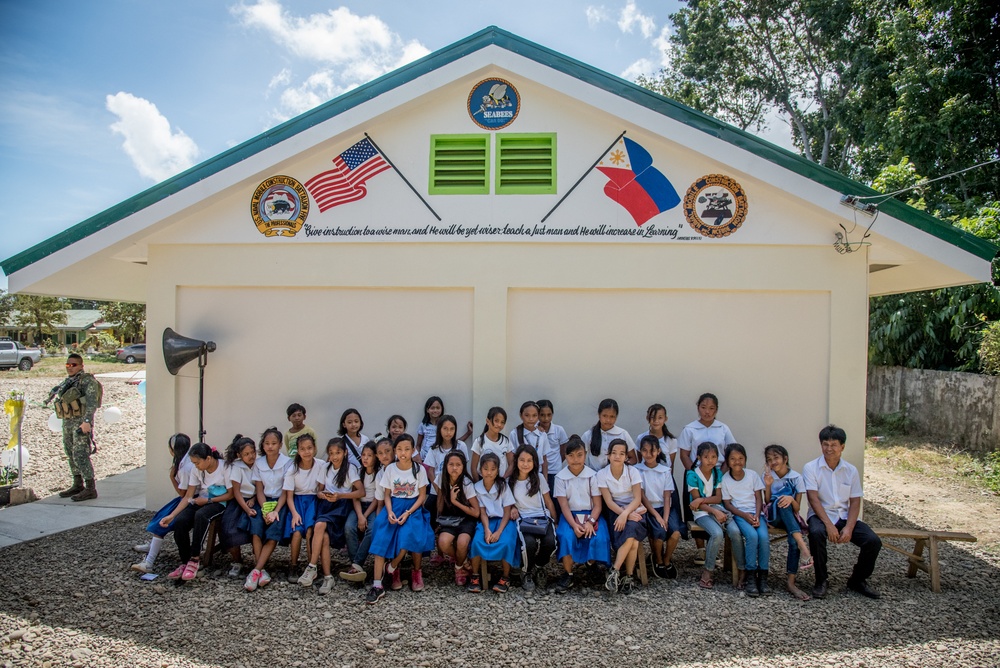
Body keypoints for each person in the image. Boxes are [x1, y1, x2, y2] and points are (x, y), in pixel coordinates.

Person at [804, 424, 882, 599]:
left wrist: (848, 527)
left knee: (873, 541)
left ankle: (858, 580)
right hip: (821, 515)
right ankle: (821, 580)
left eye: (833, 445)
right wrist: (829, 525)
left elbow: (855, 501)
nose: (829, 449)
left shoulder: (850, 470)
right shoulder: (811, 468)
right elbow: (813, 499)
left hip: (844, 516)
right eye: (825, 444)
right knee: (816, 533)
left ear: (842, 447)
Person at [365, 433, 435, 604]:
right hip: (394, 507)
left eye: (407, 449)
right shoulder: (390, 469)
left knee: (408, 536)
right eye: (400, 449)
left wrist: (408, 512)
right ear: (395, 450)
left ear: (413, 450)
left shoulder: (418, 470)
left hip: (413, 509)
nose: (403, 453)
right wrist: (389, 512)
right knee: (381, 536)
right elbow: (387, 495)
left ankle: (397, 567)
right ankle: (377, 585)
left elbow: (422, 496)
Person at [159, 443, 233, 582]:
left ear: (209, 459)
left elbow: (230, 495)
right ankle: (185, 561)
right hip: (200, 500)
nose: (196, 466)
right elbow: (188, 496)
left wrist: (209, 501)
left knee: (201, 515)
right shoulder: (196, 470)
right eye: (194, 463)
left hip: (218, 502)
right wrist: (172, 515)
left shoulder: (225, 467)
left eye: (198, 462)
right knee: (180, 521)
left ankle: (195, 558)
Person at [299, 438, 363, 595]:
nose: (335, 456)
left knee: (319, 526)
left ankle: (312, 566)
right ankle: (328, 577)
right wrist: (324, 494)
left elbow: (360, 492)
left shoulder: (350, 469)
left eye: (338, 453)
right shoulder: (325, 467)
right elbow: (319, 491)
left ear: (345, 453)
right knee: (324, 538)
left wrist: (340, 495)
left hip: (341, 506)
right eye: (332, 453)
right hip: (326, 505)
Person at [678, 393, 736, 564]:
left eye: (711, 408)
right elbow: (684, 454)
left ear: (716, 410)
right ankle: (701, 549)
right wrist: (694, 474)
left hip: (718, 474)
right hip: (695, 474)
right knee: (697, 508)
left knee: (718, 505)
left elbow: (730, 451)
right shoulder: (690, 428)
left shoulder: (723, 429)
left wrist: (722, 472)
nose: (707, 412)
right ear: (698, 408)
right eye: (703, 407)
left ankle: (717, 545)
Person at [552, 436, 610, 593]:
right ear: (565, 457)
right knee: (565, 535)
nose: (575, 459)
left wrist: (590, 522)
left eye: (579, 455)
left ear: (585, 454)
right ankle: (568, 573)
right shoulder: (560, 477)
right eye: (571, 455)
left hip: (592, 514)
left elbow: (598, 505)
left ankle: (591, 564)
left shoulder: (593, 475)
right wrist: (574, 525)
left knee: (600, 536)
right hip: (570, 515)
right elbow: (563, 506)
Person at [131, 434, 193, 574]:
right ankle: (153, 545)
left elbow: (183, 494)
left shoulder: (184, 468)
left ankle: (149, 562)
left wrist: (172, 477)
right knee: (161, 516)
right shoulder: (186, 460)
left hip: (189, 500)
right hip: (188, 498)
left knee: (162, 522)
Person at [762, 444, 814, 601]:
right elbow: (766, 501)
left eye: (776, 458)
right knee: (781, 502)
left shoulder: (796, 478)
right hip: (773, 517)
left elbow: (797, 508)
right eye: (769, 459)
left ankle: (791, 583)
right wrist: (769, 485)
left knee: (793, 540)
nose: (773, 462)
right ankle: (804, 548)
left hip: (790, 518)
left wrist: (791, 499)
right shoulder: (767, 476)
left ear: (785, 458)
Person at [48, 353, 103, 501]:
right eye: (68, 365)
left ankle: (90, 488)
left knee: (80, 454)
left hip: (81, 423)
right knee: (70, 452)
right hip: (68, 422)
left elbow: (91, 404)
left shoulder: (87, 381)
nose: (70, 368)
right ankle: (78, 484)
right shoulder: (68, 382)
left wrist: (87, 422)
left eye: (74, 365)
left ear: (81, 366)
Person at [597, 439, 647, 594]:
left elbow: (638, 498)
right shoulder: (602, 474)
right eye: (614, 453)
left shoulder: (633, 472)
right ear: (608, 455)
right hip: (614, 510)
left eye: (622, 453)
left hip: (634, 508)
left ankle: (615, 571)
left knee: (631, 532)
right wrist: (622, 513)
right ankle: (629, 576)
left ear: (626, 457)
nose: (617, 456)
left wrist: (627, 513)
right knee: (632, 541)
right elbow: (608, 501)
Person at [245, 427, 292, 592]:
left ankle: (255, 570)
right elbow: (259, 489)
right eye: (267, 443)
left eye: (274, 443)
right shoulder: (258, 463)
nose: (270, 446)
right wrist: (265, 510)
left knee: (273, 531)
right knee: (256, 529)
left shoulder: (287, 463)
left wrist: (275, 511)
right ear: (262, 445)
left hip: (280, 503)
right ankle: (261, 570)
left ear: (280, 445)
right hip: (263, 501)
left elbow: (287, 491)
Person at [467, 452, 520, 594]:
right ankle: (475, 576)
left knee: (507, 542)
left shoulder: (503, 486)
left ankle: (505, 577)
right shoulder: (476, 487)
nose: (489, 473)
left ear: (498, 470)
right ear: (480, 469)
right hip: (487, 521)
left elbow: (507, 512)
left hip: (504, 522)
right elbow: (482, 512)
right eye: (485, 469)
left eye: (493, 469)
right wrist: (487, 530)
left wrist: (498, 532)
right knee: (478, 541)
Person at [721, 443, 769, 596]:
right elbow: (728, 504)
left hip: (756, 513)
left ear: (745, 459)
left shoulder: (752, 475)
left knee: (764, 538)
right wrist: (745, 516)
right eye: (733, 458)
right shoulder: (725, 480)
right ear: (727, 461)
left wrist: (756, 514)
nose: (737, 462)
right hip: (740, 515)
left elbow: (758, 498)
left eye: (741, 458)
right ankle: (750, 576)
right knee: (752, 537)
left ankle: (763, 577)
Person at [508, 444, 558, 591]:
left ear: (535, 462)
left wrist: (555, 520)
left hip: (542, 516)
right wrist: (512, 508)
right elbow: (507, 502)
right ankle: (526, 572)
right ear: (516, 461)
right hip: (524, 518)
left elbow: (548, 501)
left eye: (529, 460)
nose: (525, 464)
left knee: (551, 542)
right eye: (522, 460)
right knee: (529, 544)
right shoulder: (510, 481)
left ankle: (539, 565)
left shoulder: (539, 478)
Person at [635, 435, 681, 579]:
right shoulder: (637, 470)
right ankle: (658, 561)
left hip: (665, 508)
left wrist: (665, 517)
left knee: (675, 532)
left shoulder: (665, 470)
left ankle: (667, 559)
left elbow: (667, 496)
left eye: (652, 451)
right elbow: (642, 496)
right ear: (640, 451)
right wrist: (657, 516)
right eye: (644, 451)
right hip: (649, 509)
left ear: (659, 451)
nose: (648, 455)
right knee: (659, 532)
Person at [282, 433, 324, 583]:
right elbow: (288, 495)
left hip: (313, 501)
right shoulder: (292, 469)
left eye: (309, 448)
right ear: (297, 451)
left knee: (310, 532)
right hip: (297, 502)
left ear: (315, 448)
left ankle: (311, 567)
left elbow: (320, 488)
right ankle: (293, 565)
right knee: (297, 532)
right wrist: (294, 513)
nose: (307, 452)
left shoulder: (320, 465)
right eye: (303, 449)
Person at [687, 442, 728, 590]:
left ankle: (741, 569)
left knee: (736, 530)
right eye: (706, 457)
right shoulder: (692, 475)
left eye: (713, 457)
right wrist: (713, 510)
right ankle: (707, 571)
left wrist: (701, 499)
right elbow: (695, 505)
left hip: (716, 508)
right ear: (699, 457)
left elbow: (718, 498)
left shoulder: (717, 473)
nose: (710, 460)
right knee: (717, 534)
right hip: (701, 513)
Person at [435, 450, 480, 586]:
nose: (454, 468)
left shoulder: (466, 484)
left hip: (466, 518)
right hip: (449, 518)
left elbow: (476, 512)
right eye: (451, 464)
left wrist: (455, 502)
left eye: (458, 465)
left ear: (463, 466)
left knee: (462, 542)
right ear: (446, 466)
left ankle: (459, 567)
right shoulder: (441, 478)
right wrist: (439, 518)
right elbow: (440, 502)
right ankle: (464, 561)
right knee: (443, 542)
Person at [340, 441, 381, 583]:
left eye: (369, 455)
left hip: (372, 507)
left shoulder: (379, 473)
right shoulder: (358, 472)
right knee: (349, 527)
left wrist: (365, 516)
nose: (365, 458)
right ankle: (355, 565)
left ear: (375, 457)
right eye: (363, 455)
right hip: (358, 506)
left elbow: (377, 498)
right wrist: (359, 515)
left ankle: (357, 564)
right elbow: (355, 496)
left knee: (372, 529)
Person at [219, 435, 258, 578]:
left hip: (256, 500)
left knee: (256, 527)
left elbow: (261, 488)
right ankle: (237, 561)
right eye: (246, 454)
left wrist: (253, 500)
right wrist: (246, 509)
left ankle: (258, 562)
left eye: (253, 452)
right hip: (239, 501)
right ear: (239, 455)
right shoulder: (236, 467)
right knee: (229, 528)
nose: (251, 456)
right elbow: (236, 491)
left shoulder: (259, 465)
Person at [423, 414, 470, 525]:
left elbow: (464, 468)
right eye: (445, 429)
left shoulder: (460, 446)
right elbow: (430, 471)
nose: (448, 432)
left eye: (451, 429)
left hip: (457, 489)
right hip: (437, 490)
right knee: (430, 515)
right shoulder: (434, 449)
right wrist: (440, 490)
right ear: (440, 429)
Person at [582, 399, 637, 470]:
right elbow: (579, 457)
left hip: (616, 478)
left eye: (612, 416)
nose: (608, 420)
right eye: (605, 416)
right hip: (595, 478)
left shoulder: (622, 434)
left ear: (616, 417)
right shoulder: (589, 435)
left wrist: (621, 468)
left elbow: (633, 458)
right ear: (599, 415)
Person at [416, 396, 474, 461]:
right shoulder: (423, 425)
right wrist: (418, 458)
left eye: (438, 408)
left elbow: (452, 442)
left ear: (442, 409)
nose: (435, 410)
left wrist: (468, 433)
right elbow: (418, 445)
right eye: (432, 408)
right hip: (425, 459)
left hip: (440, 458)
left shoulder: (445, 425)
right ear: (427, 410)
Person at [470, 407, 513, 480]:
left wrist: (503, 479)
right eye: (496, 421)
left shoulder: (506, 441)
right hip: (483, 482)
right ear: (487, 421)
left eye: (502, 422)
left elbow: (512, 464)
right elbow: (473, 468)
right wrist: (479, 485)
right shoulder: (479, 441)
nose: (499, 424)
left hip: (501, 482)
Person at [510, 401, 550, 478]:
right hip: (520, 475)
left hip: (538, 475)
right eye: (527, 415)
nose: (531, 419)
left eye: (534, 415)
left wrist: (545, 479)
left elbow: (544, 460)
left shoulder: (542, 435)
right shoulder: (515, 434)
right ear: (521, 416)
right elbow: (512, 460)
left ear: (538, 416)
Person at [536, 399, 568, 490]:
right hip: (539, 471)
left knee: (554, 498)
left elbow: (563, 450)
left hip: (555, 471)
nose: (546, 418)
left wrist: (556, 462)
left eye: (549, 415)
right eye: (542, 415)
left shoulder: (559, 430)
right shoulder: (534, 431)